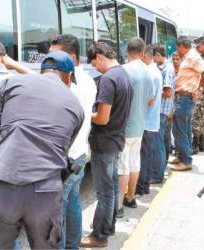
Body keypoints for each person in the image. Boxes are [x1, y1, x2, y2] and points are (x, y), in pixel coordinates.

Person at [0, 50, 84, 249]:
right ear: (68, 76)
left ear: (42, 70)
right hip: (46, 191)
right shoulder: (75, 105)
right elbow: (60, 152)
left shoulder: (9, 84)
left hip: (2, 181)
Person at [80, 42, 133, 248]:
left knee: (104, 192)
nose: (96, 69)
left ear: (100, 56)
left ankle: (99, 236)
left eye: (95, 64)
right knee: (110, 188)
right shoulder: (124, 75)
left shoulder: (108, 79)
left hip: (104, 142)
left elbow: (102, 118)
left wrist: (85, 113)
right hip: (116, 139)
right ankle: (107, 226)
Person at [49, 34, 97, 249]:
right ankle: (73, 245)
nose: (48, 62)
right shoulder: (87, 79)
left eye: (54, 56)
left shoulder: (67, 81)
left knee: (57, 211)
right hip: (79, 152)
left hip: (66, 157)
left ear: (71, 56)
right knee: (72, 204)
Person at [117, 37, 153, 215]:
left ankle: (118, 207)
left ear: (126, 50)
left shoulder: (123, 71)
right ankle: (130, 197)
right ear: (143, 52)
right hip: (139, 124)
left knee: (122, 167)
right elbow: (150, 99)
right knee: (134, 163)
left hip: (124, 126)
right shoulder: (149, 72)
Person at [170, 36, 204, 171]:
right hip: (184, 97)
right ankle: (184, 156)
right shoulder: (189, 56)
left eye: (177, 48)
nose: (177, 51)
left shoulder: (192, 56)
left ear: (182, 46)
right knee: (185, 128)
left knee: (180, 129)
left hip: (185, 97)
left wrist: (200, 89)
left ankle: (186, 160)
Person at [136, 45, 162, 196]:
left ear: (145, 55)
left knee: (143, 158)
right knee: (147, 156)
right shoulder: (155, 71)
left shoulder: (150, 73)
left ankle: (140, 188)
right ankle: (144, 187)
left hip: (146, 122)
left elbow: (149, 100)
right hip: (151, 122)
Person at [152, 44, 176, 183]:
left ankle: (157, 175)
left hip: (161, 110)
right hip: (163, 110)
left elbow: (167, 93)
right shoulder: (166, 67)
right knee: (162, 142)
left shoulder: (167, 69)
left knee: (158, 143)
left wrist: (153, 94)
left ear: (158, 56)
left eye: (154, 57)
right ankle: (159, 171)